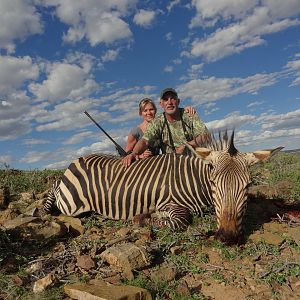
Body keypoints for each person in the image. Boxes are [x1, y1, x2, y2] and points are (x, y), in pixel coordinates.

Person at [123, 88, 208, 167]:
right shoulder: (158, 121)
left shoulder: (190, 115)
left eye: (173, 98)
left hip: (194, 161)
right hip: (170, 164)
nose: (169, 102)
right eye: (166, 99)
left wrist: (188, 145)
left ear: (178, 101)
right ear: (161, 104)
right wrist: (134, 153)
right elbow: (144, 141)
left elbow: (205, 136)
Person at [125, 97, 197, 159]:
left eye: (151, 109)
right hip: (141, 167)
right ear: (141, 113)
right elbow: (127, 154)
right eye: (145, 110)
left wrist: (185, 110)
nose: (148, 113)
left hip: (158, 164)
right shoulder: (135, 131)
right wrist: (140, 156)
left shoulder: (160, 126)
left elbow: (172, 113)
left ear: (155, 111)